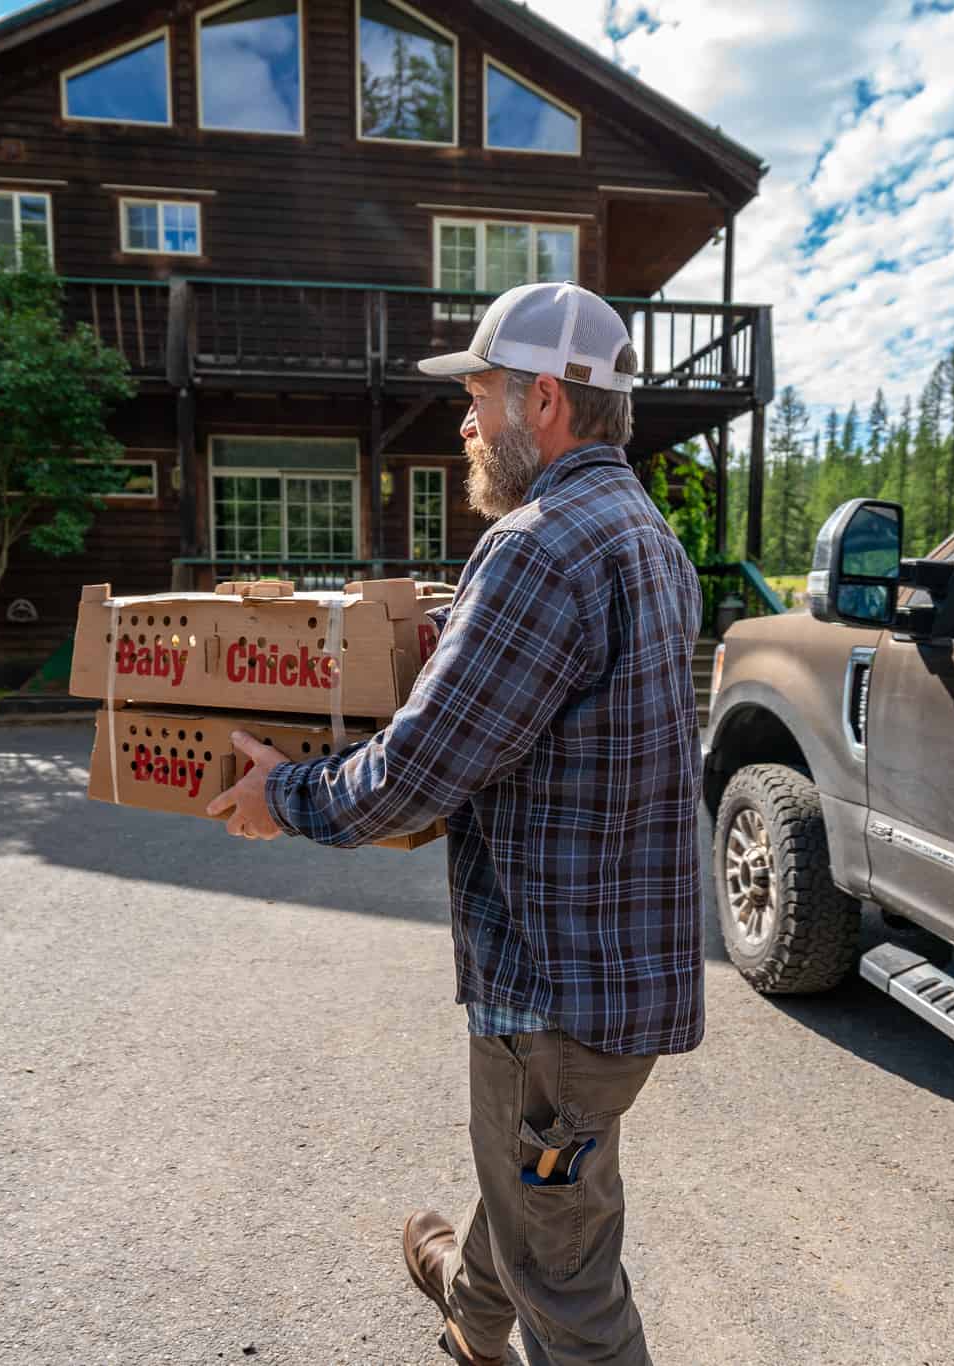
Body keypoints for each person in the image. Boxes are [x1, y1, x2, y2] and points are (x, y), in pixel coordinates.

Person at [206, 281, 704, 1366]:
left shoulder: (535, 547)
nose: (466, 422)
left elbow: (413, 777)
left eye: (478, 396)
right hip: (613, 985)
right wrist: (450, 635)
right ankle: (472, 1315)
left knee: (568, 1274)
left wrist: (277, 795)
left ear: (545, 399)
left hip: (552, 997)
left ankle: (501, 1307)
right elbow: (551, 696)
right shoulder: (644, 537)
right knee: (544, 1184)